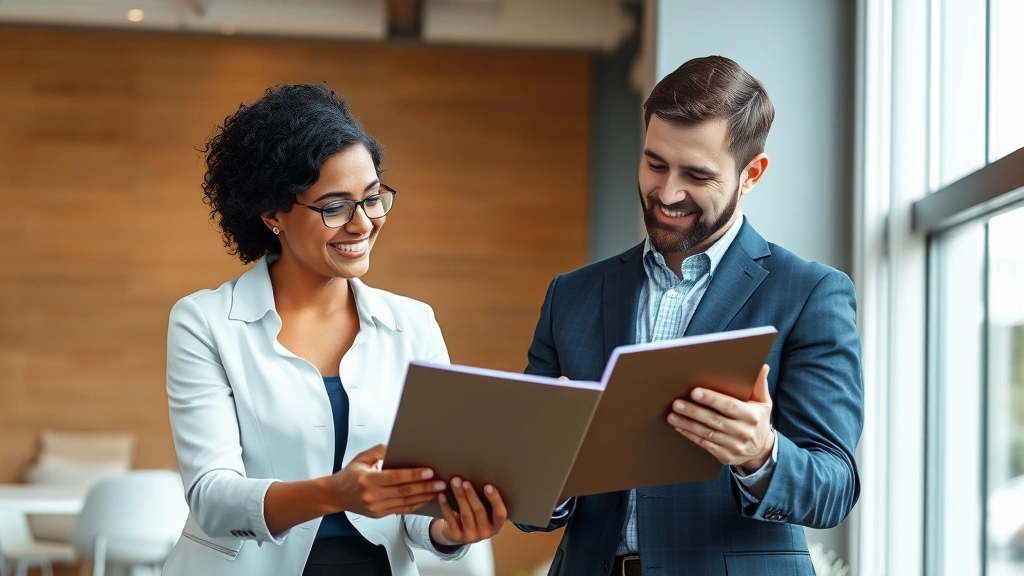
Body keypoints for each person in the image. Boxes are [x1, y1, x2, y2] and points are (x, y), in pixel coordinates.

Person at [517, 56, 863, 576]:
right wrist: (547, 468)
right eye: (655, 163)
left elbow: (834, 487)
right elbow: (526, 498)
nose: (668, 192)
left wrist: (760, 453)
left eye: (697, 174)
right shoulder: (572, 295)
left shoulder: (811, 293)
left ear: (752, 175)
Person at [162, 83, 506, 576]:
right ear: (273, 212)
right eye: (335, 207)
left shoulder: (413, 325)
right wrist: (335, 493)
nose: (363, 223)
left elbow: (417, 504)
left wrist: (449, 530)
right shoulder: (205, 322)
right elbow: (213, 499)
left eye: (373, 198)